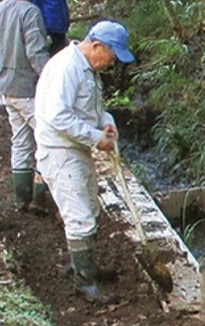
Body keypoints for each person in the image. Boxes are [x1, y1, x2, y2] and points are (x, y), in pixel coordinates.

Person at [34, 20, 134, 302]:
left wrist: (106, 123)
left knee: (90, 208)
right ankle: (85, 282)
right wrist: (96, 138)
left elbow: (94, 109)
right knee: (79, 216)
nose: (112, 63)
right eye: (111, 56)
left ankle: (83, 264)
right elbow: (58, 116)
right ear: (96, 46)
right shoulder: (66, 68)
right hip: (60, 152)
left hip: (76, 149)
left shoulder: (88, 70)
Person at [0, 0, 51, 212]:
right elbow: (36, 53)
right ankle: (39, 195)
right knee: (48, 139)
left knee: (21, 139)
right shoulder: (30, 12)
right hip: (27, 89)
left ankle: (21, 198)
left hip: (5, 87)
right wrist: (53, 78)